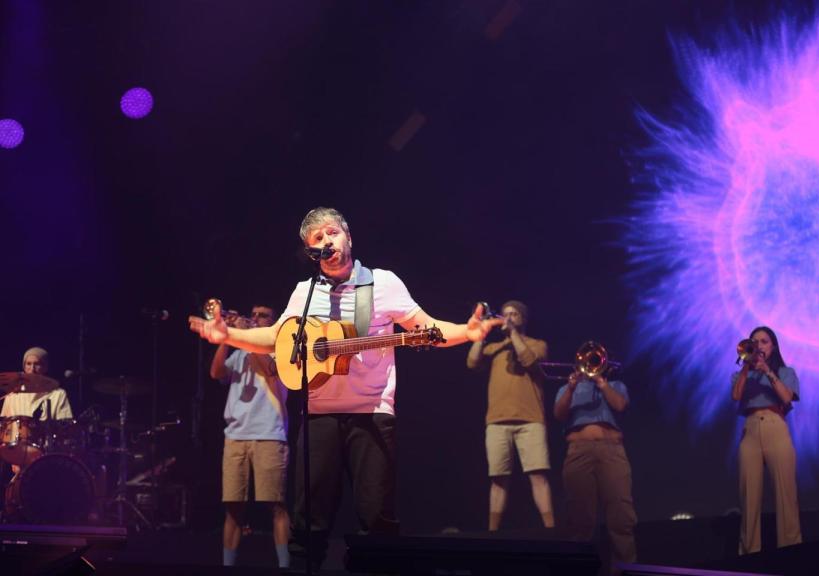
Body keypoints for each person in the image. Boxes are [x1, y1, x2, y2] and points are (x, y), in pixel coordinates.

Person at [189, 207, 502, 569]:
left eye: (331, 233)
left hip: (372, 413)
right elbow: (277, 338)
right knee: (308, 525)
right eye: (316, 240)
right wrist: (229, 335)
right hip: (320, 415)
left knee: (377, 521)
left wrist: (467, 331)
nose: (327, 242)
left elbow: (427, 327)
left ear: (348, 237)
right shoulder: (304, 293)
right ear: (311, 253)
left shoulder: (381, 284)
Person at [210, 305, 290, 568]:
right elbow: (216, 373)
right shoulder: (240, 351)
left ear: (274, 321)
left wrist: (248, 335)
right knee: (233, 508)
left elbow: (269, 369)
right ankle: (227, 566)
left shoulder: (280, 348)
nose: (255, 318)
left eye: (263, 315)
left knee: (276, 505)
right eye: (253, 314)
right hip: (236, 435)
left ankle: (285, 566)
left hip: (268, 433)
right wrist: (225, 335)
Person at [466, 300, 555, 531]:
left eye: (514, 314)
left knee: (538, 476)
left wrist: (514, 334)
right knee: (498, 479)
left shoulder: (537, 344)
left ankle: (551, 531)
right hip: (496, 421)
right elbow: (472, 362)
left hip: (531, 420)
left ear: (523, 319)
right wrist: (481, 334)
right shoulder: (495, 349)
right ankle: (492, 533)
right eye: (506, 314)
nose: (508, 318)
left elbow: (529, 361)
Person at [553, 351, 636, 575]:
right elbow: (559, 414)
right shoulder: (567, 388)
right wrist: (571, 388)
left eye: (595, 360)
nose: (591, 365)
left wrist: (601, 382)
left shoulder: (615, 384)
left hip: (612, 451)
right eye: (588, 361)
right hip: (579, 452)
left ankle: (624, 571)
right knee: (579, 518)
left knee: (621, 516)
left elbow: (620, 406)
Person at [730, 326, 801, 554]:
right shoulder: (741, 374)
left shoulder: (785, 371)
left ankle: (791, 551)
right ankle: (749, 555)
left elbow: (786, 396)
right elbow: (736, 396)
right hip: (750, 430)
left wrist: (767, 371)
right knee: (748, 498)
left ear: (773, 346)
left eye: (764, 341)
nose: (758, 346)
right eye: (754, 342)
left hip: (775, 425)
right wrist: (746, 367)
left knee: (785, 494)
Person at [1, 347, 73, 422]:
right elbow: (3, 425)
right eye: (28, 364)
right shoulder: (12, 394)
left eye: (37, 364)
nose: (32, 369)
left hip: (46, 434)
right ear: (24, 367)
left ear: (45, 367)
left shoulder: (58, 394)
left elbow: (65, 426)